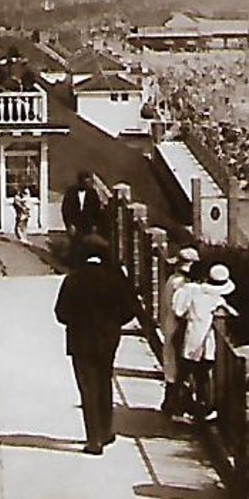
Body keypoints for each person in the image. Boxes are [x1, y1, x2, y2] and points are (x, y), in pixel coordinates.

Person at [53, 234, 140, 454]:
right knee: (105, 382)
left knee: (88, 389)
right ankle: (106, 430)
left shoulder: (73, 279)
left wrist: (76, 321)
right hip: (109, 340)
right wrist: (113, 325)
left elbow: (60, 313)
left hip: (80, 341)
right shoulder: (115, 278)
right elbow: (131, 309)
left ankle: (94, 440)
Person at [172, 260, 238, 423]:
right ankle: (202, 409)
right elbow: (233, 313)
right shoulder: (214, 298)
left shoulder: (192, 291)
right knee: (202, 376)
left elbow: (179, 311)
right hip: (203, 340)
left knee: (186, 374)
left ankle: (181, 409)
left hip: (192, 336)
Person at [158, 246, 200, 417]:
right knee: (179, 364)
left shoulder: (172, 280)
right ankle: (177, 402)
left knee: (171, 365)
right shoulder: (181, 284)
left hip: (169, 325)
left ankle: (170, 401)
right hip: (178, 327)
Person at [61, 170, 105, 257]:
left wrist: (95, 225)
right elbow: (65, 210)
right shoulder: (71, 192)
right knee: (75, 246)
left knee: (88, 246)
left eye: (88, 182)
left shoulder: (92, 193)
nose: (87, 184)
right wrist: (69, 224)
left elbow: (97, 210)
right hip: (75, 224)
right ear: (80, 181)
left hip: (88, 224)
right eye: (85, 182)